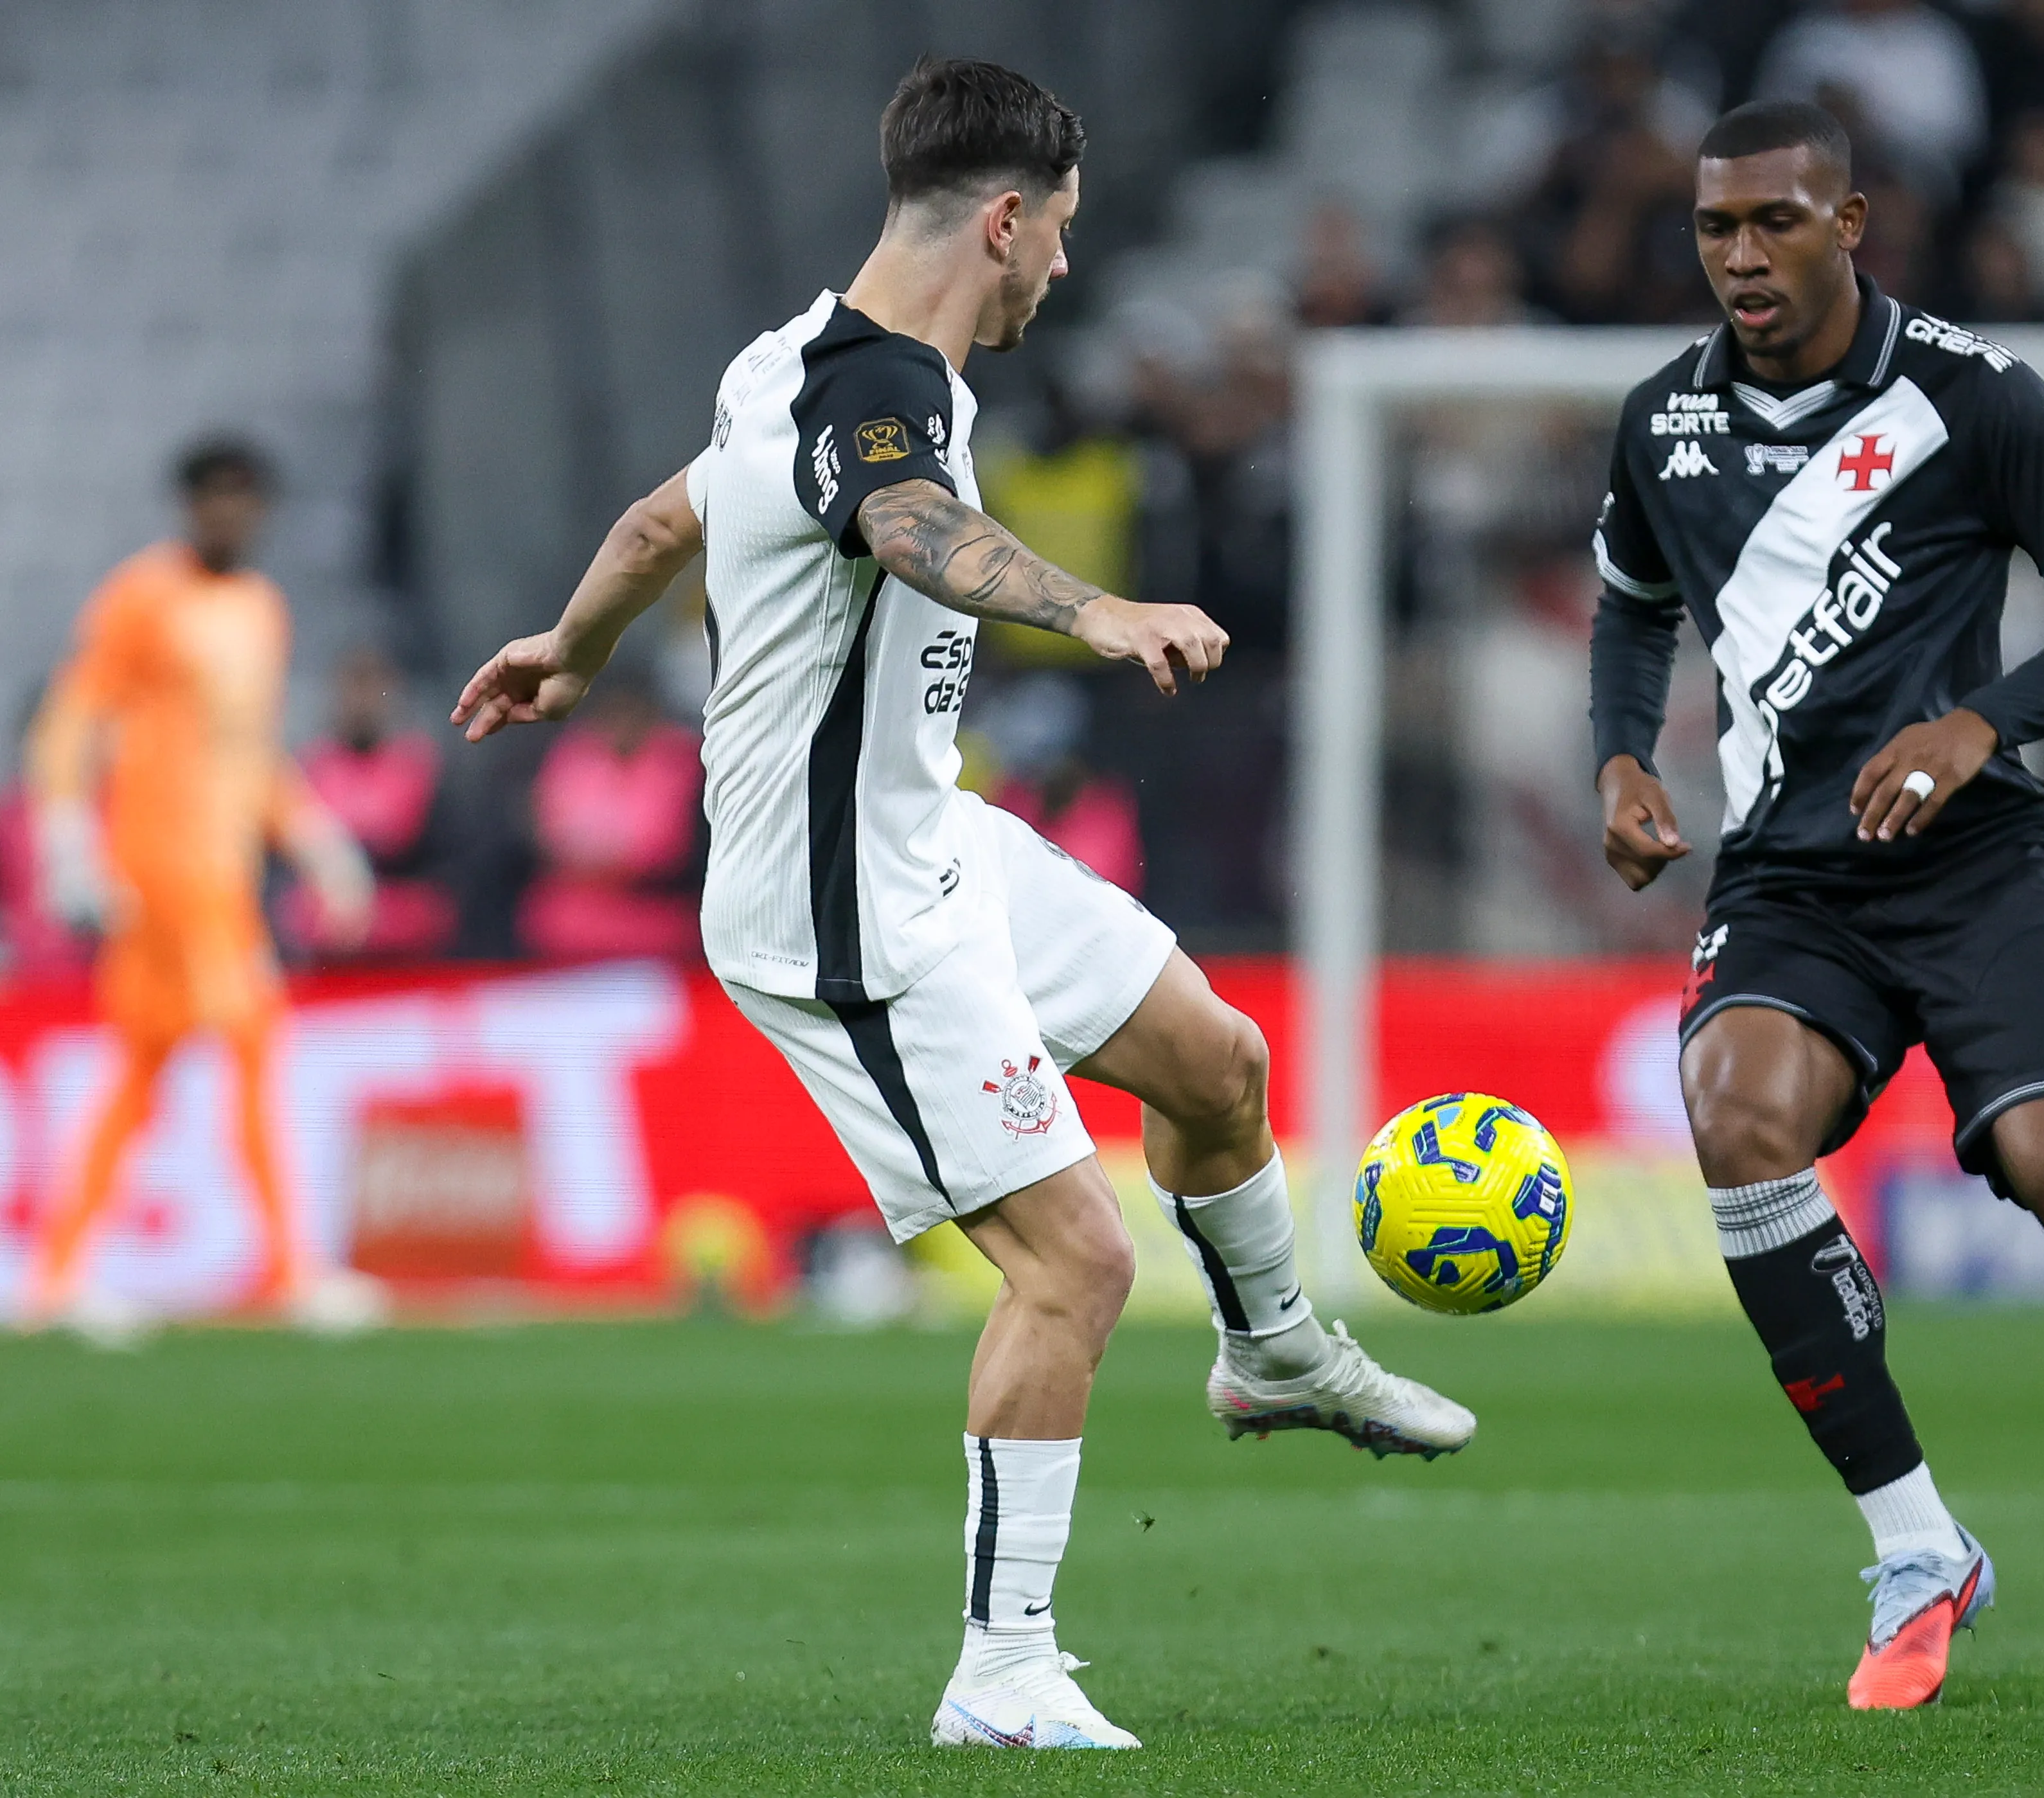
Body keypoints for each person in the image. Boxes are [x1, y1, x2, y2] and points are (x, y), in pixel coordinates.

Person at [450, 59, 1471, 1752]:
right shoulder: (875, 399)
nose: (1062, 270)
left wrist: (577, 643)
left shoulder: (786, 360)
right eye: (1057, 236)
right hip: (841, 902)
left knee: (1215, 1060)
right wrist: (1103, 608)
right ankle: (1003, 1665)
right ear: (1002, 217)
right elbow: (913, 527)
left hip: (935, 836)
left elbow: (663, 514)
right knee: (1070, 1258)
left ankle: (1277, 1346)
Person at [1586, 102, 2044, 1710]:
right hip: (1787, 869)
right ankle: (1917, 1543)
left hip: (1977, 856)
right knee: (1734, 1109)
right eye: (1717, 229)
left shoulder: (1976, 399)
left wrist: (1982, 721)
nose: (1742, 256)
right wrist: (1624, 757)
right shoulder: (1663, 424)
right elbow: (1632, 608)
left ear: (1850, 223)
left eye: (1777, 222)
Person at [19, 440, 378, 1335]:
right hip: (159, 867)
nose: (231, 516)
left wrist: (319, 843)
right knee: (254, 1043)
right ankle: (292, 1271)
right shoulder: (143, 597)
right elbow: (71, 721)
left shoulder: (260, 608)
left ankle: (58, 1277)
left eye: (246, 500)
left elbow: (249, 755)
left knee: (142, 1070)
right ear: (189, 506)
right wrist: (70, 844)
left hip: (225, 869)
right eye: (215, 499)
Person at [287, 645, 458, 961]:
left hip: (406, 935)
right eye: (353, 689)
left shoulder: (418, 766)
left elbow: (437, 862)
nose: (362, 703)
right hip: (329, 941)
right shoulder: (313, 768)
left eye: (372, 689)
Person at [517, 681, 704, 961]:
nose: (621, 723)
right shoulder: (576, 752)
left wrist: (594, 853)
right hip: (567, 924)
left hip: (655, 920)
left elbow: (663, 850)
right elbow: (548, 835)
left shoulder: (680, 757)